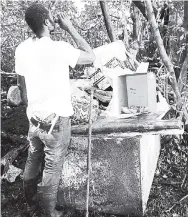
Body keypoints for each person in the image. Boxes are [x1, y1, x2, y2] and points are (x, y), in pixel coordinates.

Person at [15, 3, 95, 217]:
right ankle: (50, 213)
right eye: (52, 17)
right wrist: (69, 28)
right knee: (52, 166)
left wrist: (33, 109)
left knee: (33, 158)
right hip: (56, 120)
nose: (55, 20)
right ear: (46, 22)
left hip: (34, 118)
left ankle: (31, 206)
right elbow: (91, 56)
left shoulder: (22, 49)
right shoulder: (60, 48)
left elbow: (23, 91)